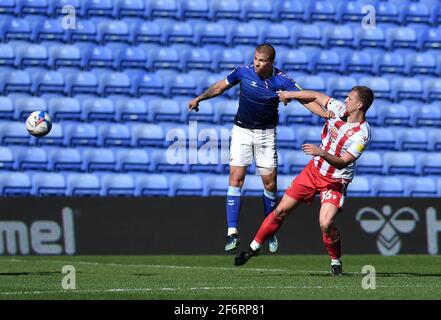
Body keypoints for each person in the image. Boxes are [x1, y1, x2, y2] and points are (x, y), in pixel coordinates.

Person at [188, 43, 332, 253]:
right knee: (236, 178)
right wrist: (200, 97)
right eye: (255, 58)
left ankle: (270, 231)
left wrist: (324, 114)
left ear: (271, 62)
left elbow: (306, 100)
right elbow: (220, 86)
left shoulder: (282, 80)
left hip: (266, 134)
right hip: (241, 131)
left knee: (270, 185)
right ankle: (232, 233)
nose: (256, 63)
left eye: (261, 60)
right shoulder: (243, 72)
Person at [233, 86, 374, 276]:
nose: (345, 100)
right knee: (281, 210)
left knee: (326, 223)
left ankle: (335, 261)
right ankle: (253, 247)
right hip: (313, 172)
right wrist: (289, 95)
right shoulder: (339, 109)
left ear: (359, 104)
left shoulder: (362, 134)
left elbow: (343, 163)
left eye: (349, 98)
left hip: (335, 180)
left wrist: (321, 152)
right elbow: (315, 96)